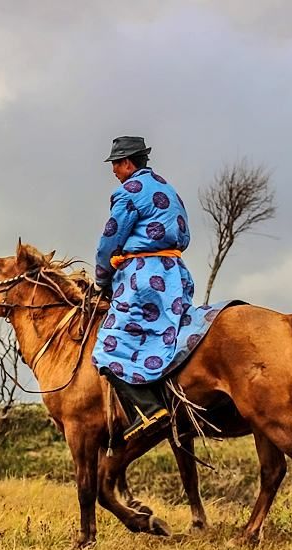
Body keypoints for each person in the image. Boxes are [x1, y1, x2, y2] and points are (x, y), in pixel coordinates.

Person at [92, 136, 196, 441]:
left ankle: (151, 410)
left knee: (108, 348)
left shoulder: (127, 192)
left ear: (127, 163)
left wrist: (102, 277)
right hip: (175, 277)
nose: (113, 170)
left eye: (115, 164)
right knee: (164, 335)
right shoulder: (168, 189)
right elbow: (184, 234)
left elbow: (109, 240)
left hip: (144, 279)